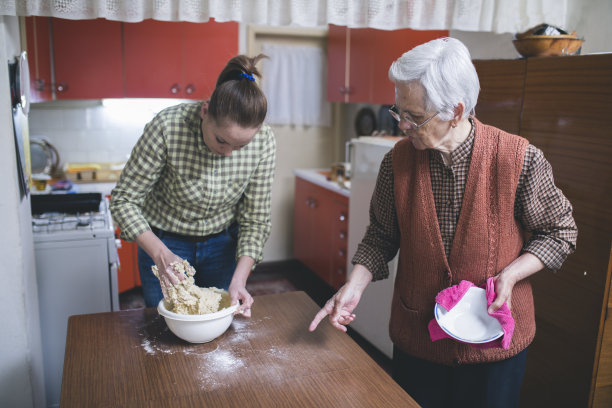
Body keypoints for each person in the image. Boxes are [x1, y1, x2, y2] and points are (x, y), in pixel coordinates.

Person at [309, 38, 577, 408]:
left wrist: (511, 275)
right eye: (397, 110)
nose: (402, 124)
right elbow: (380, 237)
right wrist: (353, 286)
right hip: (419, 340)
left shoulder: (518, 159)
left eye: (414, 116)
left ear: (457, 110)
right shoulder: (397, 163)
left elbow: (560, 231)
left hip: (494, 345)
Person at [110, 54, 275, 317]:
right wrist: (161, 256)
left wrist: (239, 280)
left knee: (216, 329)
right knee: (163, 326)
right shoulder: (167, 127)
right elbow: (123, 200)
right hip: (164, 242)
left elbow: (255, 219)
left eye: (240, 146)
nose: (229, 153)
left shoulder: (264, 141)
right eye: (222, 140)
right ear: (205, 112)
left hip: (222, 246)